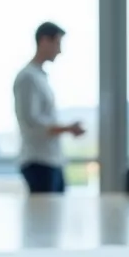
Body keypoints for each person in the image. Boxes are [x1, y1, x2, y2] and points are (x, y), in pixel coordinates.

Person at [14, 21, 85, 194]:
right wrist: (68, 128)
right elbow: (33, 123)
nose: (59, 51)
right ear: (45, 41)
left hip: (52, 160)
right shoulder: (28, 78)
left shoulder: (40, 77)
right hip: (39, 162)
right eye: (57, 43)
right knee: (45, 218)